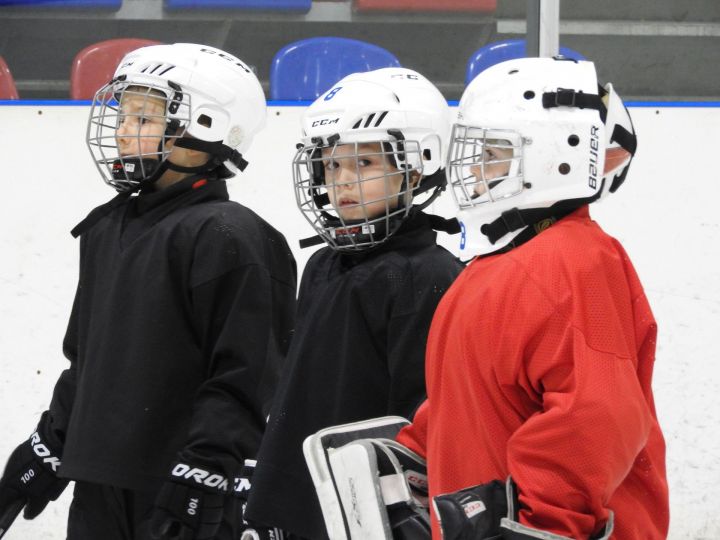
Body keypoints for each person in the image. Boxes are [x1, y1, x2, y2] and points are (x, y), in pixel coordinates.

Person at [0, 43, 296, 540]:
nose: (121, 128)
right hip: (98, 487)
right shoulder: (107, 227)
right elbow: (88, 362)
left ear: (206, 126)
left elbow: (245, 379)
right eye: (123, 113)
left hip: (179, 494)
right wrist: (47, 447)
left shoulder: (232, 236)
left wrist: (206, 474)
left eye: (145, 116)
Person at [394, 57, 669, 539]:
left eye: (494, 152)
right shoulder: (495, 265)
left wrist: (540, 525)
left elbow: (595, 415)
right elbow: (474, 392)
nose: (474, 168)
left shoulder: (575, 262)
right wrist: (418, 452)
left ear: (555, 154)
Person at [242, 67, 464, 539]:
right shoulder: (323, 264)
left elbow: (420, 420)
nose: (342, 181)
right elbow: (297, 398)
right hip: (299, 509)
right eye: (332, 165)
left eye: (363, 164)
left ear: (417, 163)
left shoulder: (428, 274)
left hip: (367, 519)